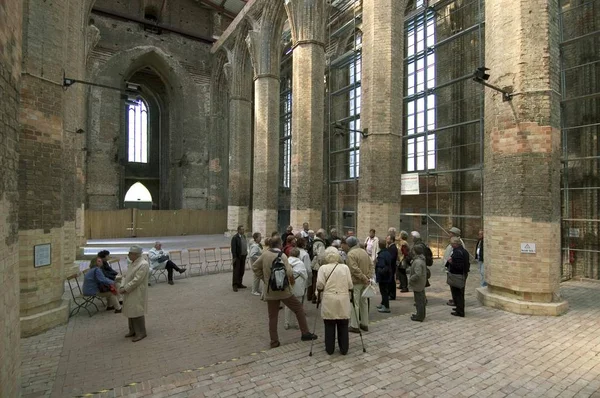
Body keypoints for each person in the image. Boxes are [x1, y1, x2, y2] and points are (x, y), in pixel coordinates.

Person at [252, 237, 317, 348]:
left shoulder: (265, 255)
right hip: (283, 290)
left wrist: (264, 279)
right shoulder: (282, 256)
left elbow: (255, 267)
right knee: (298, 308)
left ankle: (274, 341)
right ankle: (305, 332)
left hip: (270, 290)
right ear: (279, 245)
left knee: (272, 317)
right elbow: (289, 272)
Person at [317, 250, 353, 355]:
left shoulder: (323, 268)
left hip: (329, 299)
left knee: (329, 324)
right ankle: (344, 349)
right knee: (343, 324)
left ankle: (330, 349)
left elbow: (320, 285)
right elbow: (350, 285)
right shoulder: (345, 268)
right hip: (343, 298)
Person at [120, 246, 149, 342]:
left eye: (130, 253)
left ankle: (141, 332)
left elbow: (137, 280)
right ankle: (132, 330)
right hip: (129, 290)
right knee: (130, 310)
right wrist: (122, 286)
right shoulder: (132, 263)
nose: (128, 255)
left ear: (135, 255)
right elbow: (126, 275)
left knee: (137, 311)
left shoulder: (143, 264)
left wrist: (125, 288)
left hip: (137, 291)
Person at [345, 236, 373, 333]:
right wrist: (368, 277)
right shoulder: (364, 251)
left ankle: (354, 325)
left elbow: (354, 269)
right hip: (365, 281)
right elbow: (371, 265)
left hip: (356, 282)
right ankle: (365, 324)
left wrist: (364, 277)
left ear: (349, 245)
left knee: (354, 303)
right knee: (364, 302)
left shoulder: (351, 254)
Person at [446, 237, 470, 317]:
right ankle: (458, 308)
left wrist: (451, 262)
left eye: (452, 244)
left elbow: (459, 265)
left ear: (456, 244)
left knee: (458, 293)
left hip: (458, 275)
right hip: (462, 274)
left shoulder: (458, 252)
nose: (451, 245)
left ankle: (460, 311)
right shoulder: (463, 251)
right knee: (458, 293)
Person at [285, 248, 308, 330]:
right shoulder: (300, 263)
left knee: (287, 305)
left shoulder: (286, 261)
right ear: (298, 255)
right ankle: (295, 323)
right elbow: (305, 276)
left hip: (288, 285)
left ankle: (286, 323)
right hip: (297, 285)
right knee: (298, 305)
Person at [443, 227, 466, 306]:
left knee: (456, 285)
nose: (449, 234)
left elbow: (457, 255)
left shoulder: (458, 243)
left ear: (454, 234)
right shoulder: (453, 241)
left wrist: (451, 262)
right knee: (453, 285)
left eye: (451, 233)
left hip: (454, 267)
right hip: (450, 266)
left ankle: (457, 301)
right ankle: (455, 299)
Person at [409, 244, 427, 322]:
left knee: (419, 301)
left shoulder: (418, 262)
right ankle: (420, 314)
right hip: (420, 283)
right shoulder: (420, 260)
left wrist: (411, 279)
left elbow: (418, 274)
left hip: (418, 284)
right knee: (420, 300)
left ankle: (420, 316)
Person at [375, 241, 393, 313]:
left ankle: (386, 306)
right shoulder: (387, 252)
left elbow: (382, 265)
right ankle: (383, 304)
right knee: (384, 290)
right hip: (387, 275)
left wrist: (379, 271)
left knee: (383, 291)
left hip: (383, 276)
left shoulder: (381, 255)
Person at [310, 229, 327, 303]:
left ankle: (311, 296)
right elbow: (321, 255)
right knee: (318, 280)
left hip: (313, 263)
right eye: (324, 235)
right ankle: (316, 297)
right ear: (321, 235)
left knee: (313, 280)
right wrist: (323, 264)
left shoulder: (313, 241)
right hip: (317, 264)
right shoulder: (320, 243)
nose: (325, 236)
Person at [230, 225, 248, 292]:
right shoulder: (235, 238)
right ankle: (235, 285)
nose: (243, 230)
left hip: (243, 256)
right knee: (236, 271)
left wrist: (246, 253)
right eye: (242, 229)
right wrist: (235, 257)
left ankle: (240, 283)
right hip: (237, 257)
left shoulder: (244, 236)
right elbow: (233, 248)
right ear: (239, 230)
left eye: (243, 229)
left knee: (241, 270)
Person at [386, 235, 398, 300]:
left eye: (388, 239)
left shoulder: (393, 248)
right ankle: (390, 294)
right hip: (389, 267)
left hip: (391, 267)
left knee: (391, 281)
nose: (387, 240)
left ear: (392, 240)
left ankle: (392, 295)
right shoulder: (389, 247)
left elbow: (392, 258)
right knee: (390, 281)